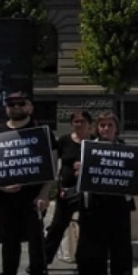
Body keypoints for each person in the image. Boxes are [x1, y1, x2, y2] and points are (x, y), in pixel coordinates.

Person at [0, 92, 55, 275]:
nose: (15, 107)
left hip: (33, 197)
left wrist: (44, 193)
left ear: (30, 107)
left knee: (36, 240)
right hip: (4, 197)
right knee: (9, 241)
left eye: (20, 103)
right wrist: (0, 185)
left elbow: (52, 163)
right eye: (10, 104)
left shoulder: (41, 131)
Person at [74, 111, 135, 275]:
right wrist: (80, 170)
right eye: (102, 125)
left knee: (120, 240)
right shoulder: (88, 148)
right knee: (92, 241)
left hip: (119, 201)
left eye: (110, 125)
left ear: (116, 128)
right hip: (94, 201)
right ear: (97, 128)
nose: (106, 129)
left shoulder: (125, 149)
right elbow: (77, 173)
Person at [44, 110, 92, 265]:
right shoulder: (64, 140)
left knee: (87, 227)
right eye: (76, 121)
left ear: (89, 124)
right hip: (67, 191)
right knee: (57, 226)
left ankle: (85, 261)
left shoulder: (94, 142)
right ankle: (43, 261)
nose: (79, 124)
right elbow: (52, 161)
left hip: (88, 192)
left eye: (82, 121)